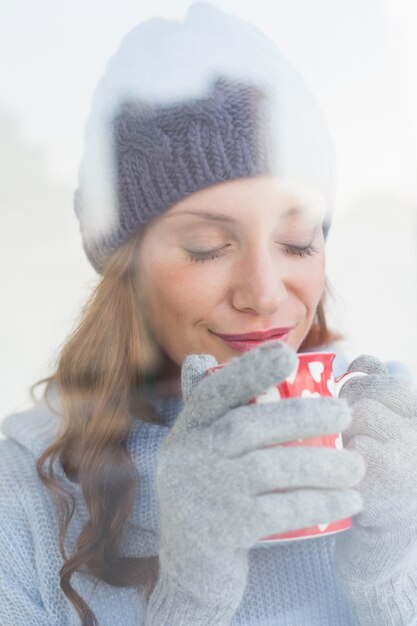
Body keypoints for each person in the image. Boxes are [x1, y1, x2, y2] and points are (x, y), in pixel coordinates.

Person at [1, 3, 417, 625]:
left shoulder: (393, 441)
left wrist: (393, 582)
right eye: (207, 248)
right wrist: (192, 598)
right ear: (126, 272)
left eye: (298, 239)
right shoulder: (22, 499)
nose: (265, 293)